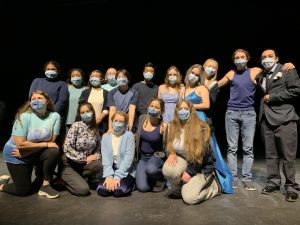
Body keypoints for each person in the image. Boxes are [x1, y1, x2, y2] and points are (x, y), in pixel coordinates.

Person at [217, 49, 294, 191]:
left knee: (248, 148)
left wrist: (287, 65)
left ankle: (247, 178)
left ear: (248, 58)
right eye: (237, 57)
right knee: (232, 148)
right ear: (234, 60)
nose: (239, 59)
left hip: (249, 114)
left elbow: (273, 71)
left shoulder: (256, 70)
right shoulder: (231, 73)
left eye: (242, 57)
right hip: (232, 113)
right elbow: (217, 85)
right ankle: (233, 177)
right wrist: (203, 84)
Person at [256, 48, 300, 202]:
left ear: (276, 58)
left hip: (285, 118)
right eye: (263, 57)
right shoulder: (260, 75)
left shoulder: (287, 70)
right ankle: (273, 182)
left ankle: (291, 187)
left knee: (288, 156)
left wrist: (273, 97)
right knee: (271, 155)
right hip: (266, 120)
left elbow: (295, 90)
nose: (266, 59)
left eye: (270, 56)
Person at [0, 90, 61, 199]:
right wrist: (45, 145)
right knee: (23, 191)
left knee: (54, 151)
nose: (36, 101)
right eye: (33, 99)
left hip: (28, 152)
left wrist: (29, 151)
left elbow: (51, 142)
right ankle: (2, 185)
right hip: (16, 154)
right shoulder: (24, 116)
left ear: (47, 101)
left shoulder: (54, 116)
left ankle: (45, 186)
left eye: (39, 98)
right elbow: (20, 144)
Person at [184, 64, 233, 194]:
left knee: (205, 148)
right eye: (192, 73)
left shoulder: (202, 88)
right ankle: (191, 172)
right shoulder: (184, 89)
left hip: (199, 119)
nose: (193, 76)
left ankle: (214, 177)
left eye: (196, 74)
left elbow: (206, 104)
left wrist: (189, 105)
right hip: (186, 121)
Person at [162, 99, 220, 205]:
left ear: (191, 110)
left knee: (189, 198)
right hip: (185, 161)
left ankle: (213, 186)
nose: (182, 111)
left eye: (186, 109)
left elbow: (202, 154)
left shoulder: (201, 127)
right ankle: (181, 189)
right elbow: (166, 145)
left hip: (201, 166)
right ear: (176, 111)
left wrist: (190, 172)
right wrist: (171, 153)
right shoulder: (171, 126)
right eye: (180, 109)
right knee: (168, 169)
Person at [61, 101, 102, 196]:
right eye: (82, 112)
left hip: (83, 165)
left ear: (92, 111)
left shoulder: (94, 128)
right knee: (83, 190)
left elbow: (98, 146)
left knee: (99, 164)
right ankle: (64, 179)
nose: (85, 114)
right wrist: (84, 158)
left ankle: (78, 177)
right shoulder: (76, 126)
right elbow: (67, 147)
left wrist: (95, 156)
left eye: (88, 111)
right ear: (79, 114)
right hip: (70, 164)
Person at [96, 111, 136, 197]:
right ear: (112, 121)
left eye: (121, 122)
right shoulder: (105, 137)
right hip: (111, 169)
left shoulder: (129, 136)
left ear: (125, 124)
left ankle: (131, 184)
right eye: (116, 120)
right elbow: (105, 158)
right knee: (102, 190)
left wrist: (117, 177)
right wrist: (109, 176)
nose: (117, 123)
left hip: (125, 170)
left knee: (118, 191)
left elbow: (128, 159)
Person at [135, 98, 166, 192]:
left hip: (157, 155)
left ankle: (161, 178)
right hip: (143, 157)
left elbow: (167, 145)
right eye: (151, 106)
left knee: (150, 170)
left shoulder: (163, 126)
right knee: (143, 188)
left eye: (157, 107)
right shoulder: (142, 118)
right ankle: (152, 179)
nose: (153, 109)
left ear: (161, 111)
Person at [80, 69, 109, 134]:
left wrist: (99, 119)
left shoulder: (106, 93)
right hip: (86, 124)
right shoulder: (85, 92)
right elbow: (81, 106)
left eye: (96, 76)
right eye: (92, 76)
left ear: (102, 79)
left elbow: (106, 108)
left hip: (100, 125)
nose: (94, 78)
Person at [65, 68, 88, 133]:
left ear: (82, 77)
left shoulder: (86, 89)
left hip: (83, 121)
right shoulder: (66, 88)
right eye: (73, 76)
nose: (76, 77)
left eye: (78, 75)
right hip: (68, 121)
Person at [202, 58, 220, 125]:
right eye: (209, 66)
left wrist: (206, 91)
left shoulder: (214, 84)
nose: (211, 69)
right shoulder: (196, 79)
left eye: (214, 67)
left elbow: (212, 101)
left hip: (205, 116)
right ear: (204, 66)